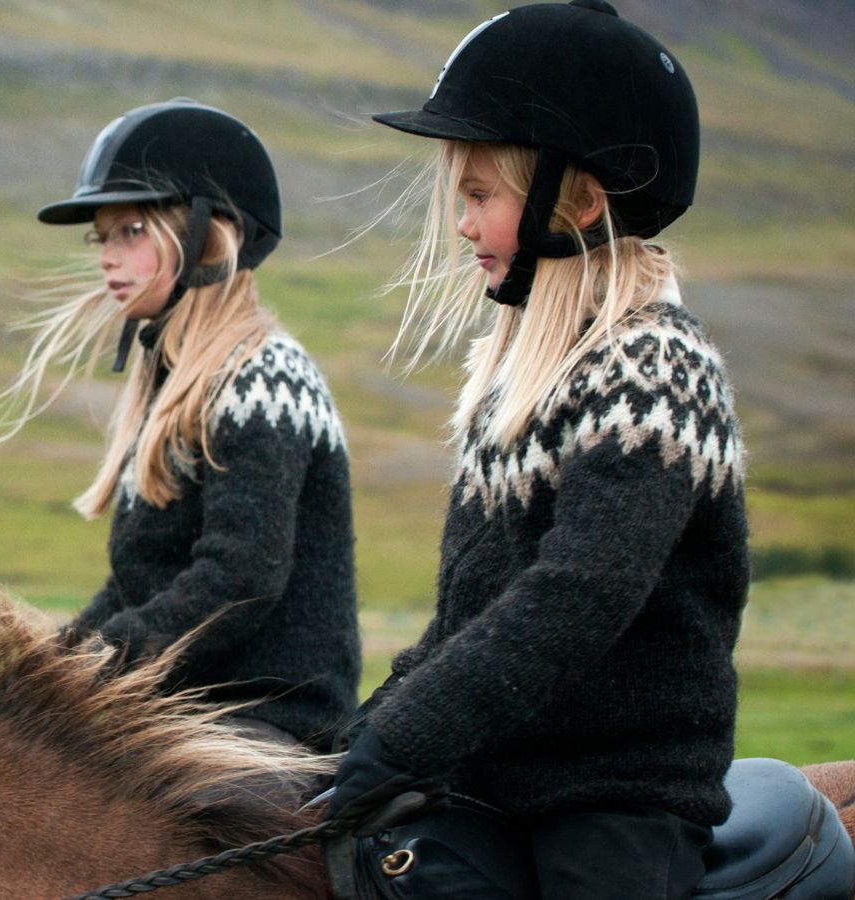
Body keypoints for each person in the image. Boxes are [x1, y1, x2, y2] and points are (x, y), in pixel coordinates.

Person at [319, 2, 747, 898]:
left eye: (480, 197)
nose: (463, 226)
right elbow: (468, 613)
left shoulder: (654, 367)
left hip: (616, 796)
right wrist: (359, 739)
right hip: (488, 781)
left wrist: (405, 741)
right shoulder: (512, 374)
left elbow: (578, 595)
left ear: (578, 199)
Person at [0, 99, 360, 753]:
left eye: (131, 230)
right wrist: (44, 663)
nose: (108, 256)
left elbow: (242, 577)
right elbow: (143, 579)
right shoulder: (171, 381)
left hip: (269, 721)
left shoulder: (263, 379)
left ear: (205, 234)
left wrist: (103, 658)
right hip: (181, 712)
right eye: (102, 236)